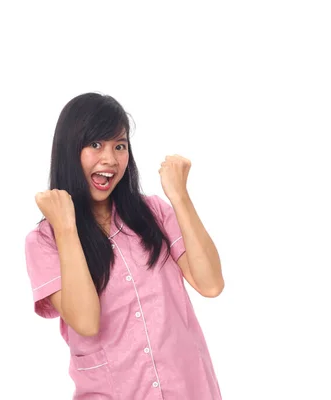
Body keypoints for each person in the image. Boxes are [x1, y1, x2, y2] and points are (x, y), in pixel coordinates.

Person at [24, 93, 225, 399]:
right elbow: (86, 322)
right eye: (95, 145)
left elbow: (211, 284)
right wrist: (66, 228)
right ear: (69, 150)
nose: (110, 159)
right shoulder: (44, 241)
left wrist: (180, 197)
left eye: (119, 146)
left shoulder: (154, 213)